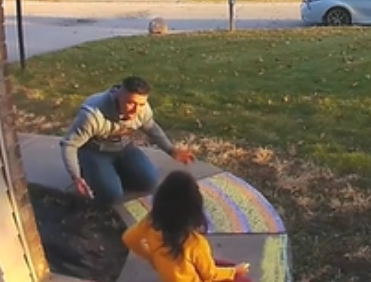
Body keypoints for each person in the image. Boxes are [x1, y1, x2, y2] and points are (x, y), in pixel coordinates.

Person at [59, 76, 196, 205]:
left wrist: (171, 150)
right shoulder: (92, 115)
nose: (136, 110)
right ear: (118, 95)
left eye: (141, 104)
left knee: (149, 182)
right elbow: (69, 145)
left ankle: (110, 173)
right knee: (111, 194)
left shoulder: (142, 109)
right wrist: (76, 177)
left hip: (124, 148)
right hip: (95, 151)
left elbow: (152, 128)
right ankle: (90, 170)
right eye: (130, 103)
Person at [122, 170, 252, 282]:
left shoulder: (151, 222)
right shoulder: (195, 243)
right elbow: (210, 275)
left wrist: (152, 257)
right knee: (238, 276)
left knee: (217, 263)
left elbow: (129, 238)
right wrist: (235, 271)